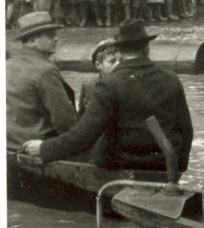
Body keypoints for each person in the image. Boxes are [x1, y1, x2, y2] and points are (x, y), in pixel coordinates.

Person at [23, 19, 194, 172]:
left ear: (119, 49)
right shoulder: (171, 79)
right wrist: (180, 166)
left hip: (123, 164)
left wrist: (44, 148)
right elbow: (186, 131)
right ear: (147, 48)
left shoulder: (109, 84)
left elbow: (84, 135)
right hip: (164, 163)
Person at [6, 12, 77, 153]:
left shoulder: (8, 64)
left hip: (11, 147)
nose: (56, 38)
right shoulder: (45, 70)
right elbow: (65, 121)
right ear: (32, 41)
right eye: (50, 35)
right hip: (38, 149)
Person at [78, 39, 118, 116]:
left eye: (120, 61)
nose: (117, 65)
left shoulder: (126, 82)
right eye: (112, 62)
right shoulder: (89, 84)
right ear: (98, 65)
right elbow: (82, 114)